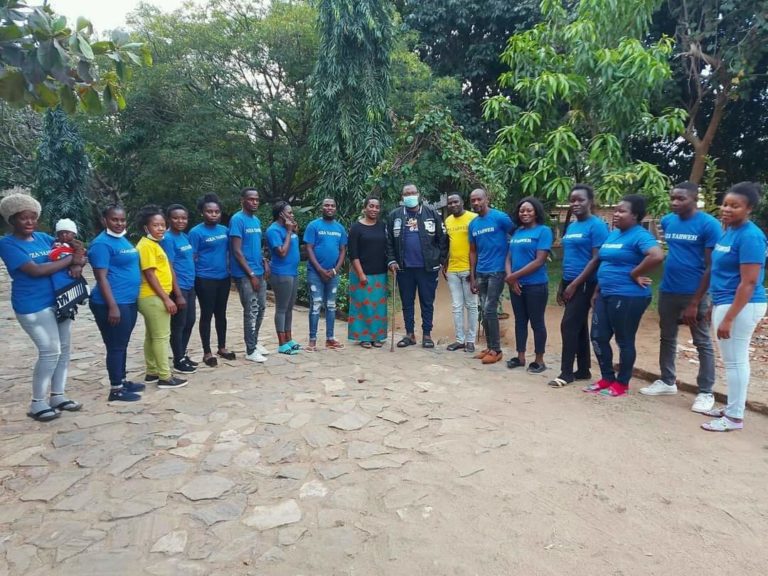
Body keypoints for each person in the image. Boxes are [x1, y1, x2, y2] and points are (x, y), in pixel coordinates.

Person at [0, 191, 85, 421]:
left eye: (33, 217)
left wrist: (77, 258)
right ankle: (38, 402)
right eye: (23, 217)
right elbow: (35, 270)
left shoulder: (44, 238)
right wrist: (71, 260)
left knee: (64, 349)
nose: (29, 222)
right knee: (50, 351)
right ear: (12, 220)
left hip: (58, 300)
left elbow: (75, 250)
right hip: (32, 305)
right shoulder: (7, 244)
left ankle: (58, 395)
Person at [639, 182, 721, 412]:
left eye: (680, 198)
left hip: (695, 292)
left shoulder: (709, 225)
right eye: (672, 198)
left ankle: (705, 392)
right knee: (667, 337)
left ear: (694, 199)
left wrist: (696, 302)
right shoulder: (668, 221)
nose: (674, 202)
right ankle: (667, 381)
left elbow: (710, 266)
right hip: (668, 290)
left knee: (702, 341)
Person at [701, 182, 767, 432]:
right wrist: (714, 305)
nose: (727, 209)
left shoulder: (751, 236)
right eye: (726, 204)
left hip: (743, 305)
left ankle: (735, 417)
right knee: (730, 360)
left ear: (749, 209)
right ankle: (731, 408)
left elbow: (749, 282)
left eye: (735, 206)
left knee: (736, 361)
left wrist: (728, 318)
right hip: (725, 301)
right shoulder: (728, 231)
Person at [584, 195, 665, 397]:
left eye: (622, 211)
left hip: (628, 296)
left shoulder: (640, 235)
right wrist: (597, 290)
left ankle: (622, 383)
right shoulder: (613, 234)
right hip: (605, 293)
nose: (616, 214)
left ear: (635, 216)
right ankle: (607, 377)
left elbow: (656, 255)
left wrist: (634, 273)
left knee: (624, 340)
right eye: (616, 210)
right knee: (597, 336)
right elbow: (606, 263)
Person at [549, 184, 608, 388]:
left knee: (568, 325)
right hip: (569, 280)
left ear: (590, 201)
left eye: (580, 200)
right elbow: (569, 256)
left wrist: (574, 284)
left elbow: (596, 259)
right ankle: (583, 369)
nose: (575, 203)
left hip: (584, 284)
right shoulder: (573, 226)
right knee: (579, 326)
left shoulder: (597, 225)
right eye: (572, 200)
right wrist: (562, 284)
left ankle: (566, 373)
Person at [88, 204, 145, 402]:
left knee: (122, 343)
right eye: (115, 220)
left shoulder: (122, 240)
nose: (119, 223)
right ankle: (116, 389)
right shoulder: (101, 244)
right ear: (105, 220)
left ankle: (122, 378)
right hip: (112, 303)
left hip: (128, 300)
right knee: (115, 345)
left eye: (122, 220)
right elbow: (101, 278)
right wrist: (112, 306)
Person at [386, 184, 447, 349]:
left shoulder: (432, 214)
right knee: (407, 302)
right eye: (407, 193)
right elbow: (389, 242)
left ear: (418, 194)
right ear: (402, 196)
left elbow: (443, 239)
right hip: (404, 268)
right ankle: (409, 334)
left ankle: (427, 335)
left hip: (427, 268)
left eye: (413, 192)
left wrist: (440, 260)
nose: (410, 195)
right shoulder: (395, 216)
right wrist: (392, 260)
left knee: (427, 302)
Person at [136, 205, 187, 389]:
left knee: (152, 335)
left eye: (162, 225)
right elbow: (150, 274)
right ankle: (165, 376)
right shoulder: (146, 246)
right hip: (152, 297)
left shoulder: (152, 244)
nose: (160, 228)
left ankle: (152, 371)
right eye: (155, 225)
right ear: (146, 228)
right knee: (161, 337)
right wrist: (166, 299)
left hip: (153, 296)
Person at [505, 197, 553, 373]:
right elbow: (509, 258)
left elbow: (539, 261)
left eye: (529, 210)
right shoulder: (517, 232)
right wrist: (511, 278)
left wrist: (512, 277)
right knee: (520, 322)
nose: (524, 213)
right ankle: (520, 357)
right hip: (516, 285)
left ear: (536, 212)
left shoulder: (544, 231)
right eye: (522, 211)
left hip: (536, 286)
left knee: (537, 322)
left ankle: (539, 360)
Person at [468, 188, 515, 364]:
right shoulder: (473, 224)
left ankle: (496, 350)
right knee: (484, 309)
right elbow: (473, 251)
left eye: (479, 199)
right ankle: (489, 347)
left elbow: (516, 235)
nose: (476, 203)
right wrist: (472, 275)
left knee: (489, 308)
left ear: (486, 199)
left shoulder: (500, 217)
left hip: (497, 270)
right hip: (481, 271)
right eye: (472, 200)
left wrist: (510, 260)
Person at [189, 194, 234, 367]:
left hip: (223, 278)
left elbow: (231, 251)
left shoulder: (224, 230)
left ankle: (222, 347)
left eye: (216, 211)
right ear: (202, 212)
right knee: (207, 315)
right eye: (209, 211)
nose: (213, 214)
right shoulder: (196, 232)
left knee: (221, 314)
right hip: (204, 279)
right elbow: (191, 257)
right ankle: (207, 352)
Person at [229, 188, 270, 363]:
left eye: (257, 199)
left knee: (261, 308)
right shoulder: (237, 220)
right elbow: (237, 251)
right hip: (245, 273)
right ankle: (250, 350)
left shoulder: (256, 220)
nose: (254, 202)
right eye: (251, 199)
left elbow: (254, 246)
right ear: (243, 200)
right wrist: (251, 274)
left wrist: (264, 262)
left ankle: (254, 341)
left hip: (258, 270)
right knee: (251, 310)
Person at [304, 197, 347, 351]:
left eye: (332, 206)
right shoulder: (313, 226)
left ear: (336, 208)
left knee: (331, 306)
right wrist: (320, 270)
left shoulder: (340, 228)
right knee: (315, 305)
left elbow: (343, 250)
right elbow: (309, 248)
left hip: (333, 274)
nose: (329, 208)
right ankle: (312, 340)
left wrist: (335, 270)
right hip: (316, 273)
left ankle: (330, 338)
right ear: (321, 208)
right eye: (326, 205)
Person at [160, 204, 198, 373]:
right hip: (179, 287)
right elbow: (170, 267)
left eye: (183, 218)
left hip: (190, 285)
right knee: (179, 324)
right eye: (176, 218)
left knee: (189, 321)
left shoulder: (184, 236)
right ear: (169, 219)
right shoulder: (167, 239)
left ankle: (182, 353)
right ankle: (178, 359)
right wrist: (177, 294)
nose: (180, 221)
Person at [348, 197, 389, 348]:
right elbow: (353, 254)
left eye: (377, 207)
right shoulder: (356, 228)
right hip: (361, 273)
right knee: (362, 306)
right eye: (371, 206)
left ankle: (377, 336)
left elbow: (387, 248)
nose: (374, 209)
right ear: (365, 208)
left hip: (380, 274)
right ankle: (364, 337)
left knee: (377, 307)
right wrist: (360, 274)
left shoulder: (382, 226)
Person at [443, 193, 479, 353]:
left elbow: (478, 245)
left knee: (471, 305)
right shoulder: (448, 221)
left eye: (455, 201)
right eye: (450, 203)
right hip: (453, 270)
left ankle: (470, 340)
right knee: (457, 306)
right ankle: (460, 340)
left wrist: (474, 272)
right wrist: (445, 263)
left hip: (468, 269)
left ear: (462, 202)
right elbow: (450, 244)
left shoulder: (474, 218)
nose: (452, 205)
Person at [267, 201, 301, 354]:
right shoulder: (274, 230)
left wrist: (292, 230)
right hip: (281, 273)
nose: (292, 215)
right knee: (281, 308)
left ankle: (289, 338)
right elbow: (281, 252)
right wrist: (288, 232)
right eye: (289, 212)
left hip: (293, 272)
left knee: (289, 308)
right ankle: (281, 343)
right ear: (280, 214)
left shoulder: (290, 228)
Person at [50, 218, 89, 322]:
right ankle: (66, 307)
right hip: (59, 268)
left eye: (67, 233)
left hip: (70, 268)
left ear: (74, 234)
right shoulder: (55, 243)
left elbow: (80, 252)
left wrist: (76, 264)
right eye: (61, 233)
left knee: (73, 282)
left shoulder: (76, 243)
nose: (64, 236)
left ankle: (80, 297)